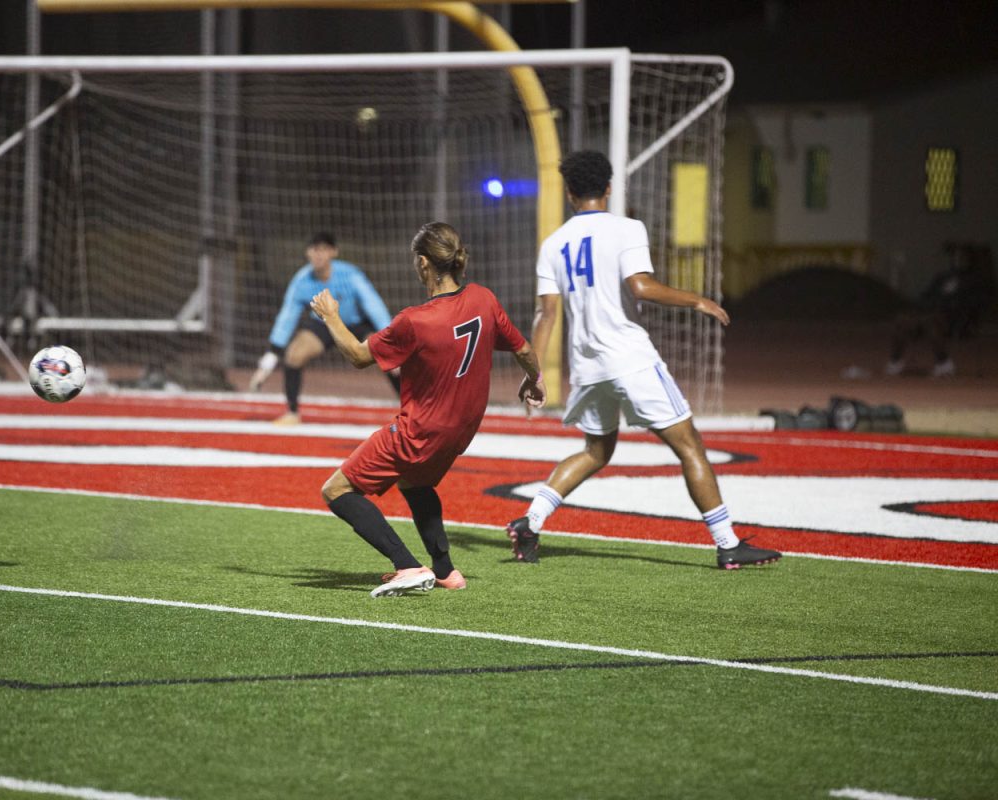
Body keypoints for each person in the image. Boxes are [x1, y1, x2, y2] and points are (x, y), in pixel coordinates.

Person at [506, 151, 781, 571]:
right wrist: (696, 299)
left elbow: (546, 314)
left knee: (596, 451)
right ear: (610, 187)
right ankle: (728, 545)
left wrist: (535, 372)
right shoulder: (627, 228)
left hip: (588, 367)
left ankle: (531, 520)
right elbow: (640, 286)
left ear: (569, 192)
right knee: (691, 446)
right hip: (629, 359)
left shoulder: (554, 243)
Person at [311, 222, 544, 597]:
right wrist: (535, 379)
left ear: (423, 263)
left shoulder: (416, 321)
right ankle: (446, 571)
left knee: (336, 490)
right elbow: (523, 350)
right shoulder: (484, 298)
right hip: (460, 431)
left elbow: (357, 356)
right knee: (415, 482)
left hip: (419, 430)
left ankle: (406, 565)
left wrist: (330, 315)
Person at [248, 232, 400, 424]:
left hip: (355, 324)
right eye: (314, 249)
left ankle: (410, 410)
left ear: (333, 252)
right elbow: (287, 316)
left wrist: (392, 342)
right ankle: (292, 412)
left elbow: (374, 305)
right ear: (307, 253)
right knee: (294, 354)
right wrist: (270, 358)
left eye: (323, 250)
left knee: (387, 357)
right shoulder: (302, 280)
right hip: (324, 324)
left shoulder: (350, 275)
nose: (318, 254)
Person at [885, 242, 996, 379]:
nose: (959, 260)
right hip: (931, 314)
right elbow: (926, 295)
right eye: (956, 256)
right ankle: (896, 361)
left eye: (962, 257)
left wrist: (955, 307)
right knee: (902, 320)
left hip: (957, 320)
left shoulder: (975, 280)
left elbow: (976, 303)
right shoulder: (943, 277)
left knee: (931, 321)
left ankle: (944, 363)